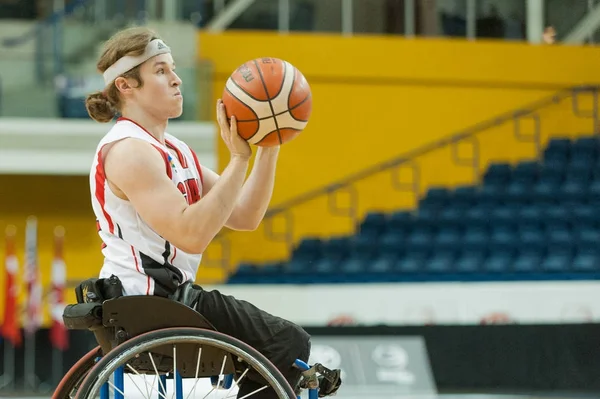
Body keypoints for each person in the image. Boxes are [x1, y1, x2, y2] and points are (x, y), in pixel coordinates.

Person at [84, 26, 315, 398]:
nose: (176, 79)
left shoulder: (175, 149)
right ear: (126, 86)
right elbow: (190, 234)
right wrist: (239, 158)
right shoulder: (130, 151)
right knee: (288, 344)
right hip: (145, 302)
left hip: (171, 301)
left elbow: (244, 216)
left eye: (173, 68)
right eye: (160, 71)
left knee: (285, 347)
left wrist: (270, 144)